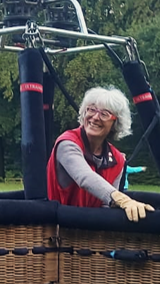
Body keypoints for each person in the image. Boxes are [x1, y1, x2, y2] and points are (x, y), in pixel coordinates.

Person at [46, 86, 154, 222]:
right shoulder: (67, 143)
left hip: (92, 234)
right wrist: (122, 199)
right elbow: (84, 177)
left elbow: (107, 207)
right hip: (56, 232)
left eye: (104, 114)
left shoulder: (118, 160)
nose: (95, 117)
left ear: (115, 122)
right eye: (91, 110)